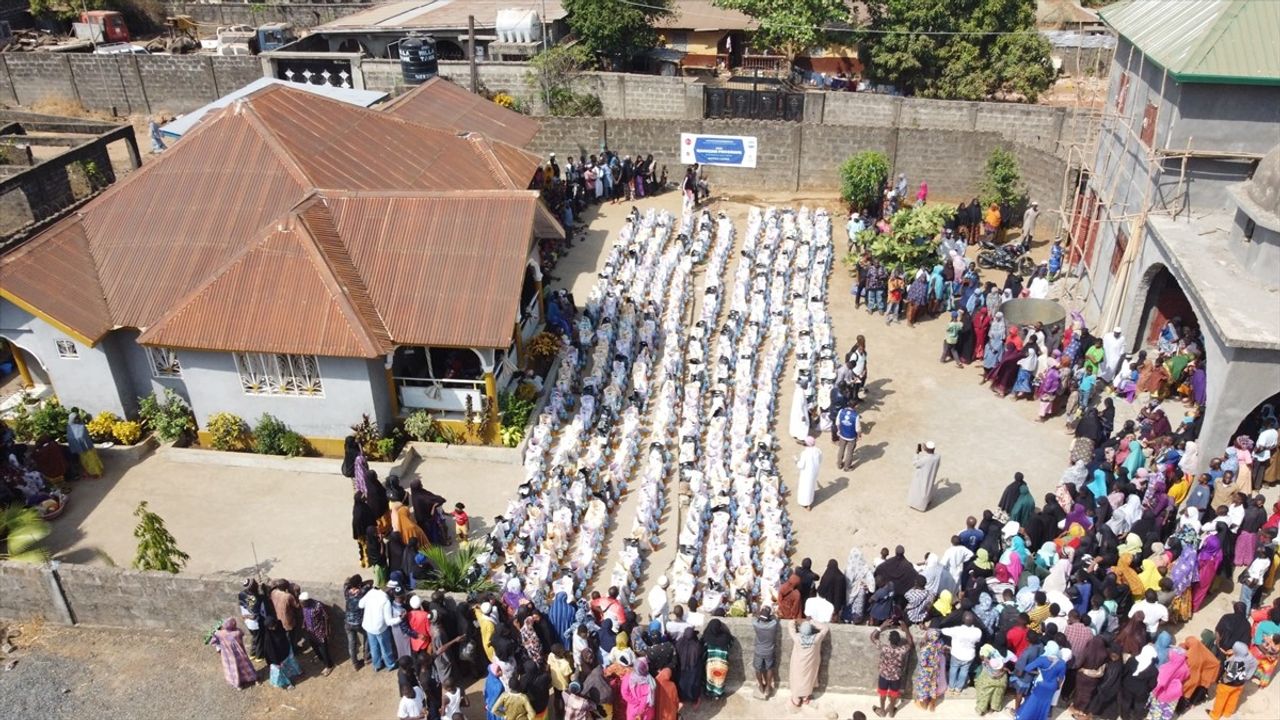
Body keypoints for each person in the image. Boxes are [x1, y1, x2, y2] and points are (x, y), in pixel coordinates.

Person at [872, 620, 913, 718]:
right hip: (896, 677)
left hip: (884, 675)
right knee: (894, 694)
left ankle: (882, 711)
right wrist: (906, 629)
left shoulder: (884, 648)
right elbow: (910, 643)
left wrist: (882, 625)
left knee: (883, 693)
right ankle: (891, 712)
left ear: (889, 640)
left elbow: (872, 637)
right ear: (899, 641)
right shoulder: (901, 650)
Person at [1017, 642, 1065, 720]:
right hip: (1052, 686)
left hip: (1041, 685)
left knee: (1033, 702)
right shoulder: (1062, 663)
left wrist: (1037, 672)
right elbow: (1061, 678)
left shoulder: (1042, 659)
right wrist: (1058, 686)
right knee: (1045, 704)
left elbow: (1027, 668)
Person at [1208, 642, 1258, 719]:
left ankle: (1215, 715)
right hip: (1241, 683)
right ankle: (1227, 713)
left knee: (1221, 699)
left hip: (1228, 685)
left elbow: (1230, 677)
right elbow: (1254, 664)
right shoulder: (1250, 658)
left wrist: (1222, 681)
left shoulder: (1235, 662)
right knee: (1233, 698)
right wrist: (1247, 676)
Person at [788, 620, 829, 708]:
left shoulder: (797, 638)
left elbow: (791, 627)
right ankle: (805, 697)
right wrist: (812, 622)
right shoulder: (816, 639)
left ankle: (796, 699)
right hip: (810, 665)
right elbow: (825, 628)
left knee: (797, 679)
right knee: (808, 679)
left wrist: (794, 621)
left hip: (798, 664)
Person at [358, 581, 397, 671]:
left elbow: (360, 605)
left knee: (374, 648)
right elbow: (389, 621)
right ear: (391, 591)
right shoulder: (386, 601)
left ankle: (377, 665)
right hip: (380, 629)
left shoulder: (371, 592)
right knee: (385, 648)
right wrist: (400, 618)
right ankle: (390, 664)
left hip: (368, 626)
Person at [209, 617, 257, 689]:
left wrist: (215, 636)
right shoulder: (238, 632)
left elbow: (212, 642)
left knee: (232, 669)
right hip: (240, 654)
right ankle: (251, 678)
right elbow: (242, 634)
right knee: (245, 666)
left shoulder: (219, 634)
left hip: (228, 656)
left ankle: (238, 685)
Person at [943, 612, 984, 693]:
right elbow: (978, 641)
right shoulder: (978, 631)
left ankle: (951, 687)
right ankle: (958, 688)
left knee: (953, 669)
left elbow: (943, 631)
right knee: (964, 671)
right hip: (969, 655)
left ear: (963, 620)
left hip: (956, 654)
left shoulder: (956, 630)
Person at [299, 592, 334, 675]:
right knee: (314, 647)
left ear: (307, 601)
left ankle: (329, 666)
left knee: (323, 650)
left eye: (302, 603)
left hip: (319, 631)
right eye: (300, 602)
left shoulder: (318, 606)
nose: (301, 605)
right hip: (310, 631)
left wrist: (327, 631)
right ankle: (320, 658)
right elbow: (305, 615)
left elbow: (326, 618)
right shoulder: (304, 606)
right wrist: (304, 623)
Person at [262, 618, 302, 690]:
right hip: (278, 657)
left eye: (274, 625)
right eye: (271, 627)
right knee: (281, 671)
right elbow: (271, 652)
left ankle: (297, 673)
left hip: (286, 650)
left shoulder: (279, 626)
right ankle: (287, 684)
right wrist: (276, 662)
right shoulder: (268, 639)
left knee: (292, 663)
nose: (274, 628)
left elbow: (284, 635)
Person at [913, 628, 946, 711]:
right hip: (935, 670)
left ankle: (924, 705)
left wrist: (921, 648)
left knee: (924, 687)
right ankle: (932, 705)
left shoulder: (926, 648)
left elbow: (923, 663)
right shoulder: (939, 645)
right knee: (933, 686)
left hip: (926, 672)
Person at [65, 412, 103, 479]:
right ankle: (90, 472)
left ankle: (97, 473)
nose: (77, 419)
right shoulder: (69, 427)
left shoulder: (81, 426)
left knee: (92, 460)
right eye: (75, 418)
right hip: (81, 449)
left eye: (77, 418)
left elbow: (83, 436)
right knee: (85, 461)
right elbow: (71, 437)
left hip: (88, 447)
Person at [973, 644, 1008, 716]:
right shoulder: (1001, 664)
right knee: (997, 695)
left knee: (984, 695)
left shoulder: (987, 666)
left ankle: (981, 710)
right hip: (1001, 683)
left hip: (988, 682)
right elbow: (1004, 669)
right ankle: (993, 709)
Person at [702, 618, 732, 699]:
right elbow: (730, 645)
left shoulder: (707, 637)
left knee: (710, 679)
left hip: (710, 663)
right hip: (722, 663)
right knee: (719, 680)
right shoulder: (726, 637)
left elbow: (703, 649)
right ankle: (718, 694)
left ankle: (709, 693)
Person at [751, 607, 778, 699]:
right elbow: (775, 617)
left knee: (758, 669)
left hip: (758, 651)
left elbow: (754, 616)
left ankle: (761, 685)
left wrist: (759, 615)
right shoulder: (773, 625)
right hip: (769, 651)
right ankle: (768, 687)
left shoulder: (756, 624)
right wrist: (769, 616)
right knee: (769, 668)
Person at [908, 441, 941, 512]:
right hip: (930, 476)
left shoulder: (925, 459)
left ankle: (917, 506)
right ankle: (927, 502)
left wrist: (916, 453)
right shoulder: (938, 457)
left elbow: (915, 463)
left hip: (921, 477)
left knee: (918, 491)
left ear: (926, 449)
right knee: (928, 489)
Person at [796, 436, 821, 511]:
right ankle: (809, 503)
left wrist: (796, 461)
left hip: (806, 473)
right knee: (811, 486)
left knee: (805, 488)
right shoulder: (818, 451)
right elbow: (820, 460)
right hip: (814, 472)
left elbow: (800, 465)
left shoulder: (804, 453)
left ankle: (805, 504)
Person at [836, 402, 862, 472]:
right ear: (855, 406)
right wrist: (859, 435)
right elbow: (858, 429)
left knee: (841, 449)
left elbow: (837, 423)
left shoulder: (841, 411)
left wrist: (839, 430)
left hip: (842, 434)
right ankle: (847, 467)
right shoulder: (856, 416)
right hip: (851, 437)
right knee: (850, 452)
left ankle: (839, 464)